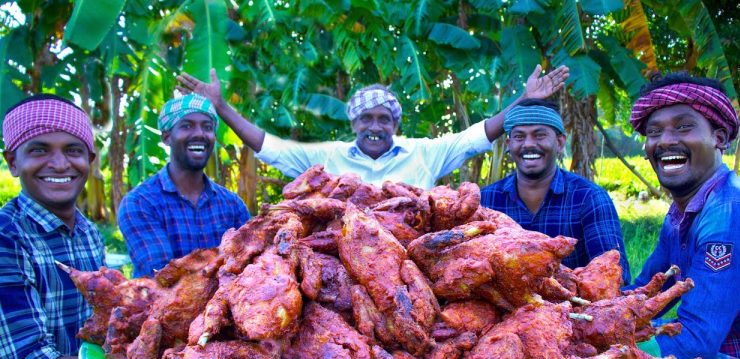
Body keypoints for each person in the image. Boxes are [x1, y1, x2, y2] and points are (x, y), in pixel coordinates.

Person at [0, 94, 214, 359]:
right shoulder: (6, 238)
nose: (59, 164)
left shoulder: (86, 231)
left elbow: (103, 328)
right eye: (39, 150)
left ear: (90, 159)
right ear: (12, 161)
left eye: (72, 150)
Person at [605, 73, 740, 359]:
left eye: (683, 127)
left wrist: (599, 346)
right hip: (727, 356)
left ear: (719, 137)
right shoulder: (682, 211)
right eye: (654, 132)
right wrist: (580, 316)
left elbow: (696, 337)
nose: (665, 141)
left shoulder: (731, 212)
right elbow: (648, 290)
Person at [175, 65, 569, 190]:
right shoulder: (327, 158)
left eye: (384, 119)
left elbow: (480, 135)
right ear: (354, 123)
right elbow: (270, 147)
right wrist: (222, 107)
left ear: (396, 123)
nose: (375, 126)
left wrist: (525, 98)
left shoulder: (424, 154)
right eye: (367, 118)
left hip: (413, 272)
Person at [480, 98, 630, 281]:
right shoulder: (486, 200)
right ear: (509, 145)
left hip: (575, 307)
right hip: (501, 308)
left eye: (539, 135)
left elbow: (612, 276)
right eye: (519, 136)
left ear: (559, 143)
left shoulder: (589, 198)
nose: (528, 144)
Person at [117, 94, 251, 278]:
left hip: (226, 305)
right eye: (187, 126)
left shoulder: (232, 204)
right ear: (166, 137)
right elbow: (164, 279)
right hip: (164, 307)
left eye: (207, 127)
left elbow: (252, 264)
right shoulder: (140, 203)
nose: (199, 134)